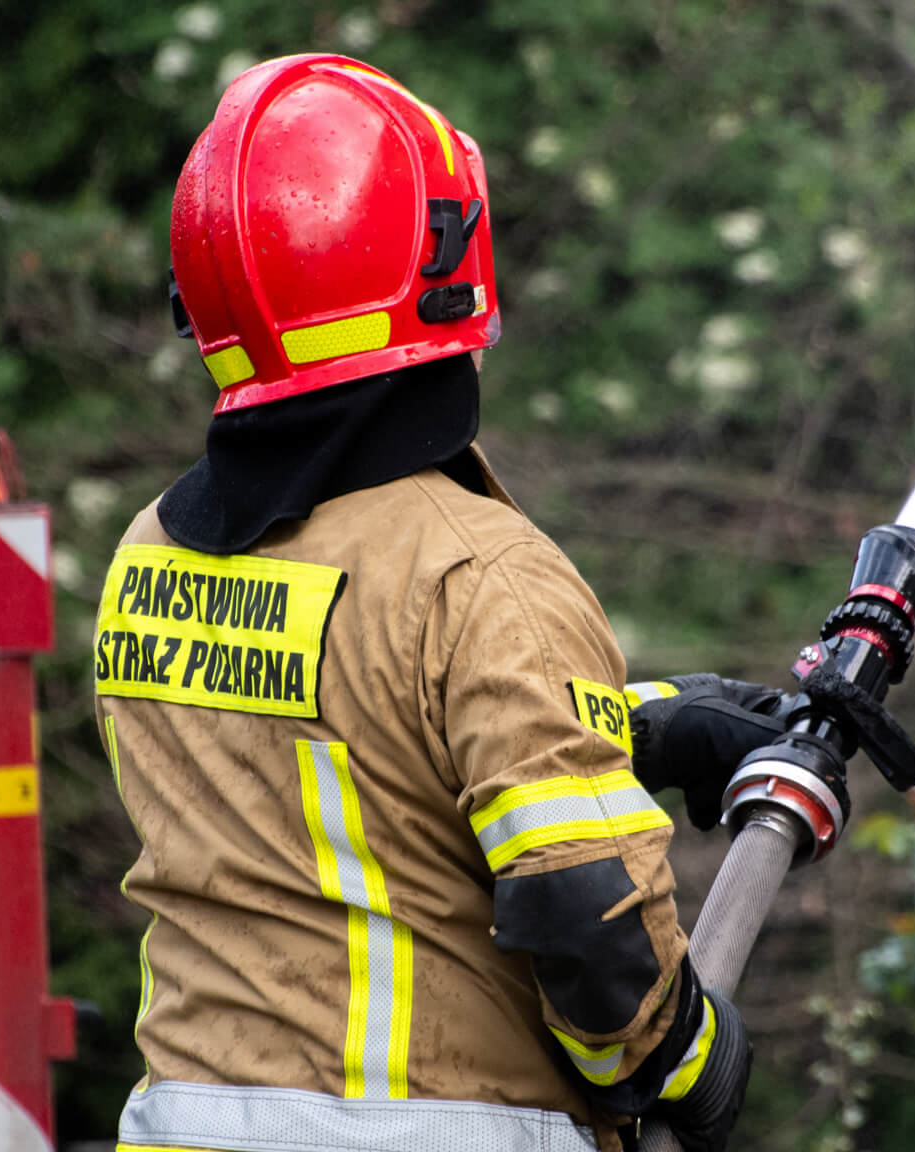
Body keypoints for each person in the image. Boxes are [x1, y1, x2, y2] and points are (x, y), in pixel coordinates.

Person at [94, 53, 808, 1152]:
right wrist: (685, 1056)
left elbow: (338, 746)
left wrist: (638, 725)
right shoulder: (478, 573)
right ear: (441, 261)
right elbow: (584, 921)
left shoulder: (148, 556)